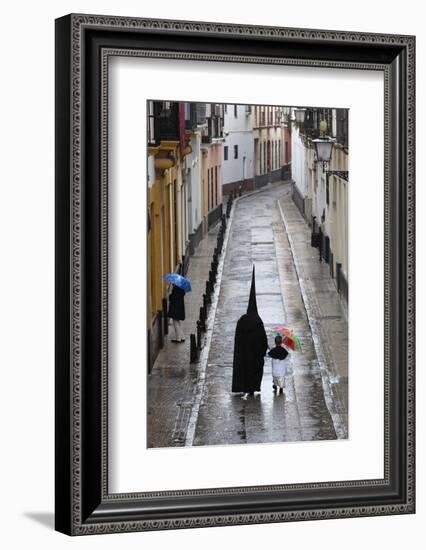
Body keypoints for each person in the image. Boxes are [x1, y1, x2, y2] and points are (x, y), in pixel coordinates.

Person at [232, 266, 268, 399]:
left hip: (243, 356)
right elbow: (263, 342)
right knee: (254, 370)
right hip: (255, 356)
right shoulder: (258, 323)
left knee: (245, 369)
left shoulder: (241, 321)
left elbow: (237, 342)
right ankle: (253, 387)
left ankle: (243, 386)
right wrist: (263, 350)